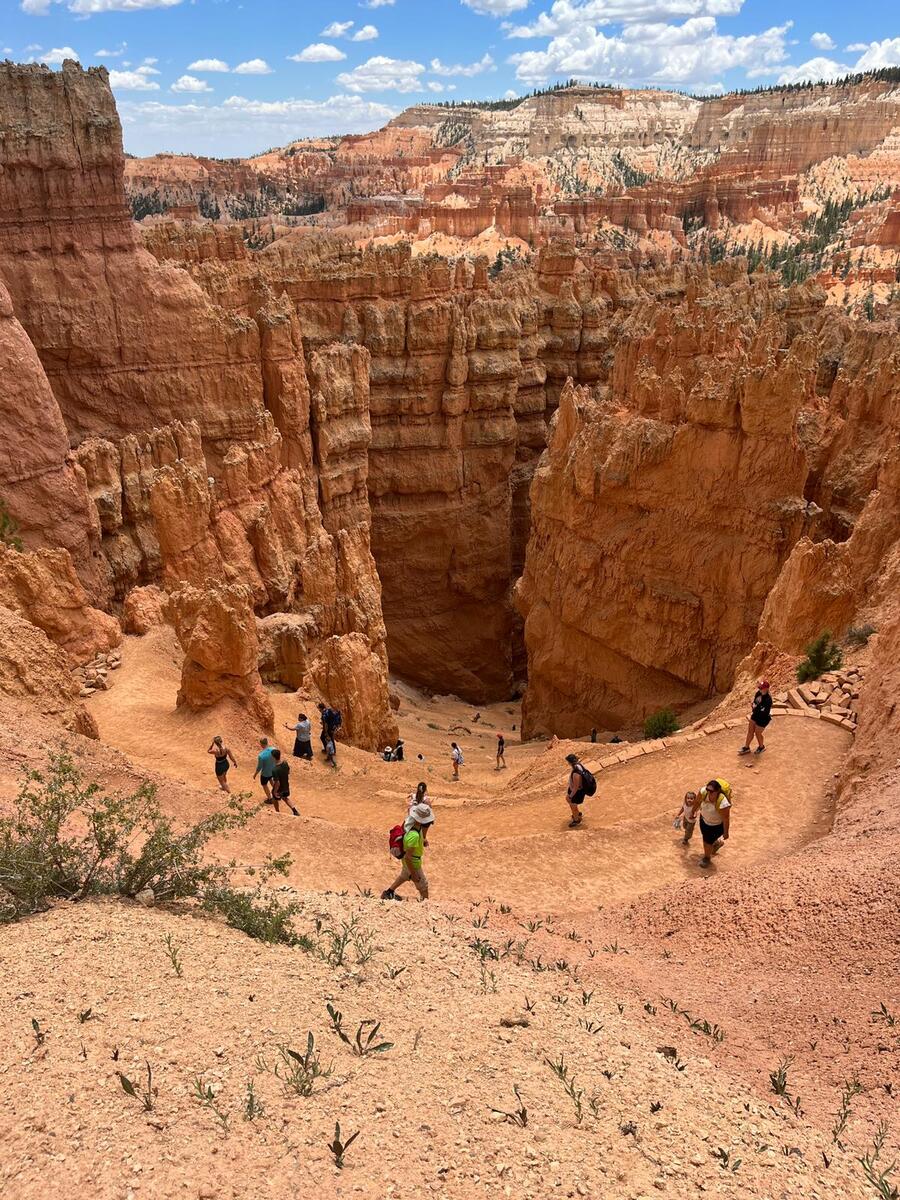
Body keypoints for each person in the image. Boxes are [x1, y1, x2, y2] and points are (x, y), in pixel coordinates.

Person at [382, 802, 434, 901]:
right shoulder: (414, 836)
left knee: (404, 875)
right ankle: (425, 906)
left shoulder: (409, 822)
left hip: (408, 861)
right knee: (423, 885)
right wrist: (414, 874)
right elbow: (408, 857)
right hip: (413, 863)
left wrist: (423, 839)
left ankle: (388, 893)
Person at [697, 779, 732, 867]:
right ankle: (716, 843)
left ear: (717, 791)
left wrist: (726, 832)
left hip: (716, 826)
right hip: (704, 820)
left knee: (706, 842)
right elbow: (697, 801)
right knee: (706, 837)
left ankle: (706, 858)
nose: (708, 792)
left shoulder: (723, 803)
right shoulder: (703, 792)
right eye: (707, 790)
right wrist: (693, 811)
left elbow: (726, 818)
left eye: (711, 791)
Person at [739, 680, 772, 755]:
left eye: (761, 688)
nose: (760, 689)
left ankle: (761, 747)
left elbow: (764, 712)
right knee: (750, 731)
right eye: (759, 687)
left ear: (766, 689)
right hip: (755, 714)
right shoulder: (758, 693)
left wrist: (755, 707)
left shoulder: (768, 700)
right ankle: (746, 747)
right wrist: (754, 706)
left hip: (763, 718)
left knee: (757, 733)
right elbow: (755, 703)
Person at [269, 749, 299, 816]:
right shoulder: (285, 763)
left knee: (274, 798)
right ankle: (295, 810)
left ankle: (277, 812)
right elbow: (288, 772)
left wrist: (275, 791)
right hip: (286, 784)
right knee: (285, 798)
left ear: (273, 757)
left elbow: (277, 783)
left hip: (280, 788)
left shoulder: (274, 770)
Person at [565, 752, 588, 827]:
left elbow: (576, 787)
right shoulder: (579, 765)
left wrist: (570, 796)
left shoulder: (576, 772)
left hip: (576, 793)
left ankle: (576, 820)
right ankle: (577, 814)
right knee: (573, 805)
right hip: (575, 791)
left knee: (572, 805)